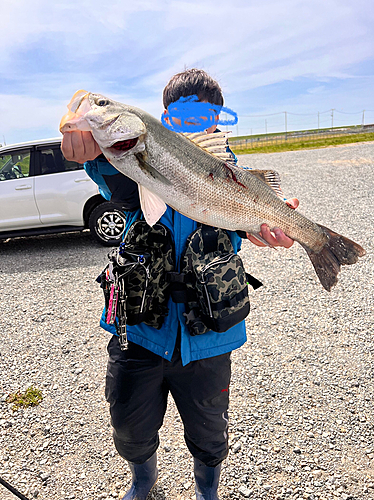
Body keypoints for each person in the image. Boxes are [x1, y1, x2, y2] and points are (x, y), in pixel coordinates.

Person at [61, 69, 298, 500]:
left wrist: (269, 229)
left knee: (210, 431)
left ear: (217, 120)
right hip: (137, 330)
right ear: (165, 118)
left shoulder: (236, 181)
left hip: (208, 338)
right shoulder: (133, 164)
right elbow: (124, 191)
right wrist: (93, 154)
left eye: (202, 115)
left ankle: (207, 489)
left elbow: (253, 224)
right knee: (129, 425)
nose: (190, 124)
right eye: (178, 115)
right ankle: (143, 481)